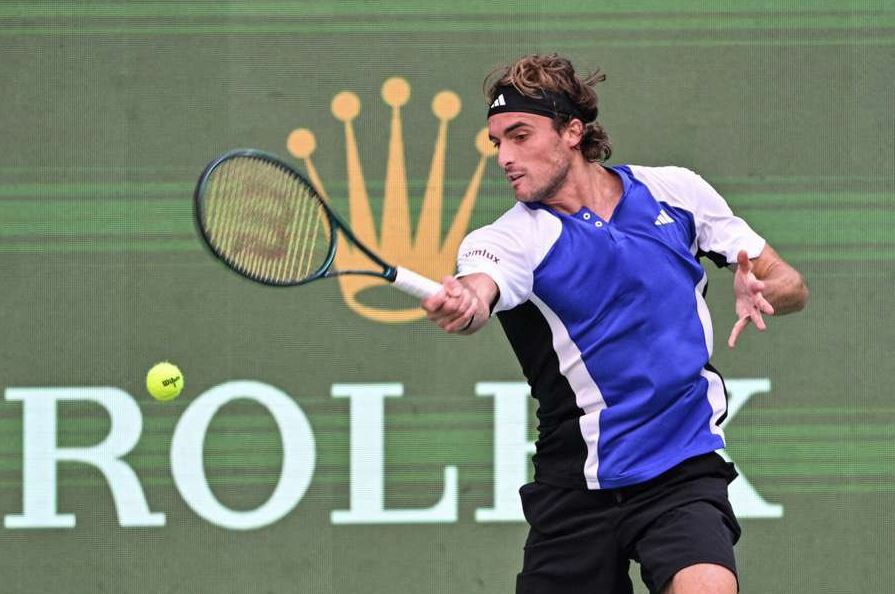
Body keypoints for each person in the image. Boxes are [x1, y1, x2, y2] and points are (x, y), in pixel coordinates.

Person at [421, 54, 808, 594]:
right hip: (576, 488)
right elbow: (481, 288)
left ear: (572, 131)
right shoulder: (509, 238)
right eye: (497, 143)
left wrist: (766, 290)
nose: (505, 157)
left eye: (520, 136)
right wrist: (466, 302)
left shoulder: (676, 192)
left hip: (681, 470)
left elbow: (790, 284)